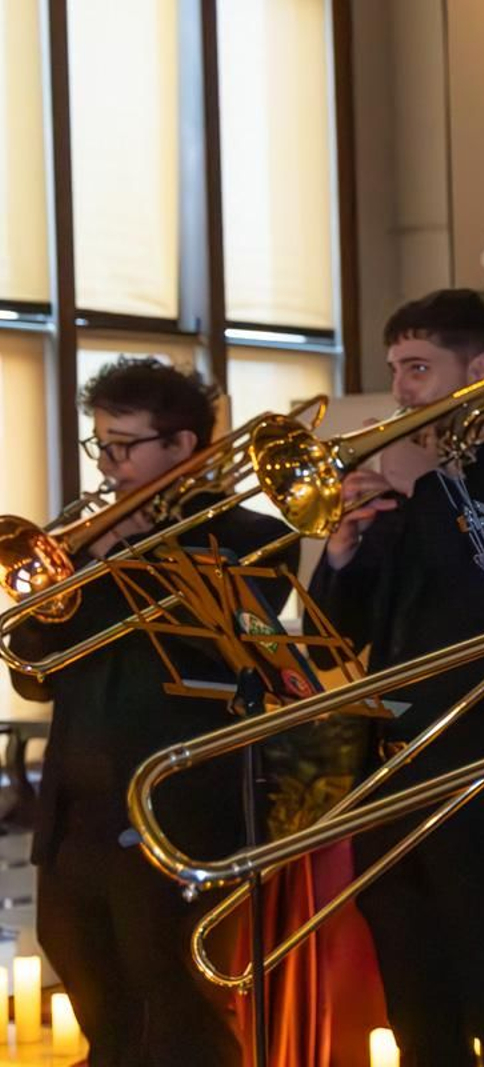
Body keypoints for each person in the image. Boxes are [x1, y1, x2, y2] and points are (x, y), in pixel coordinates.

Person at [307, 289, 484, 1066]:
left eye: (417, 368)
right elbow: (336, 636)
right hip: (394, 772)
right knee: (416, 998)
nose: (400, 389)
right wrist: (338, 551)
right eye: (396, 369)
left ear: (479, 369)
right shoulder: (406, 485)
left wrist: (427, 486)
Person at [8, 357, 295, 1066]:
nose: (108, 464)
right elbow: (35, 675)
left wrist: (131, 551)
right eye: (100, 443)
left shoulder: (244, 536)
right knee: (79, 958)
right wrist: (71, 575)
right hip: (78, 800)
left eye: (124, 445)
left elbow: (238, 654)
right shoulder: (76, 540)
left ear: (182, 446)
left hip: (178, 800)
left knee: (169, 992)